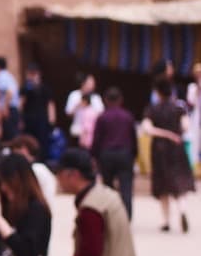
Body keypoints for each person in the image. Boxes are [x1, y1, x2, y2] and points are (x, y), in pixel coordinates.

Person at [145, 79, 194, 233]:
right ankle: (182, 210)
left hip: (159, 150)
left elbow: (147, 129)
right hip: (177, 148)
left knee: (163, 186)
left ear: (158, 93)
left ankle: (166, 221)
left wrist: (164, 134)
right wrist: (175, 134)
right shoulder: (179, 108)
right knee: (178, 182)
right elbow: (186, 126)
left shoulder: (153, 109)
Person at [90, 86, 138, 220]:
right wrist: (134, 155)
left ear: (105, 100)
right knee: (126, 188)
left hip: (107, 155)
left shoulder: (102, 117)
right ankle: (126, 218)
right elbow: (133, 138)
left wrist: (93, 156)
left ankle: (110, 216)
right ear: (121, 100)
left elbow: (97, 139)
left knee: (108, 188)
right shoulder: (128, 116)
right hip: (125, 154)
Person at [20, 64, 56, 149]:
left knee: (43, 142)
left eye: (33, 74)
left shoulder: (45, 88)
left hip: (42, 119)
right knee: (29, 142)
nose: (31, 77)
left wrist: (52, 120)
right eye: (29, 74)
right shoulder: (25, 89)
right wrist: (20, 119)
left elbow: (50, 105)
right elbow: (21, 104)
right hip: (28, 119)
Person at [66, 74, 104, 148]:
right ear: (83, 83)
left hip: (91, 133)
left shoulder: (96, 98)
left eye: (93, 83)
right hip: (77, 131)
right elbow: (68, 114)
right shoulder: (74, 95)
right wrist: (78, 106)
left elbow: (101, 114)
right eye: (90, 83)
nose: (92, 86)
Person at [0, 55, 21, 140]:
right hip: (11, 109)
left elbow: (9, 92)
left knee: (9, 138)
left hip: (7, 110)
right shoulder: (8, 76)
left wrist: (5, 108)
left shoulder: (1, 76)